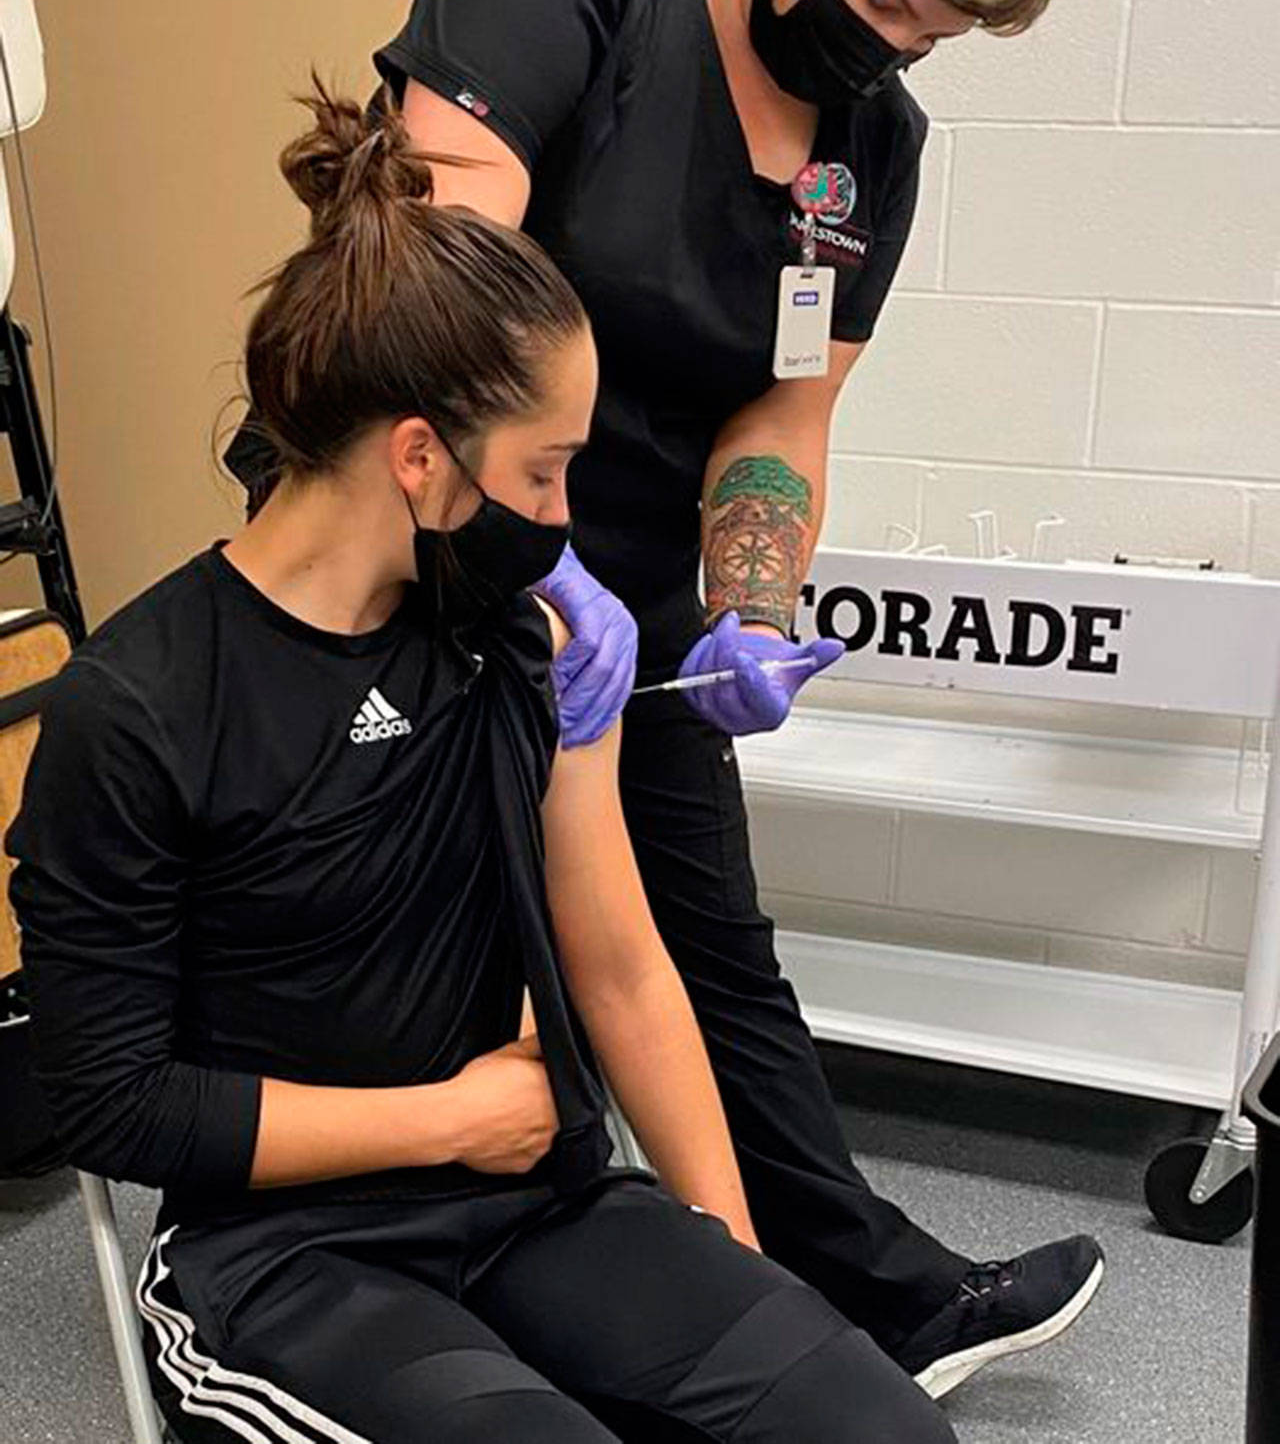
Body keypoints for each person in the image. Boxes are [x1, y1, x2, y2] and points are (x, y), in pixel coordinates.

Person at [227, 0, 1105, 1400]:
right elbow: (447, 296)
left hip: (632, 604)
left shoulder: (868, 151)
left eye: (929, 41)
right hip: (424, 535)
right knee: (403, 932)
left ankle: (807, 1296)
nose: (892, 53)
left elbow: (783, 408)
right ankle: (329, 1289)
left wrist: (754, 603)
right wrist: (534, 564)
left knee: (694, 941)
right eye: (889, 1)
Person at [8, 84, 959, 1444]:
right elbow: (115, 1103)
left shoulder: (509, 641)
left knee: (876, 1428)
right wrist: (449, 1117)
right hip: (287, 1260)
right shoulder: (140, 709)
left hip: (538, 1203)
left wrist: (735, 1257)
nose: (563, 523)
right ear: (417, 457)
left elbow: (622, 966)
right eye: (543, 474)